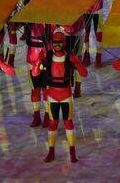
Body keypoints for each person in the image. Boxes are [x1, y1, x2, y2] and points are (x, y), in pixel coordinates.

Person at [31, 31, 87, 163]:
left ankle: (72, 153)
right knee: (53, 124)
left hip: (66, 96)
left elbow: (84, 74)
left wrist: (77, 62)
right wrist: (38, 60)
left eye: (59, 42)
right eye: (55, 42)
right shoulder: (48, 57)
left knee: (68, 123)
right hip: (52, 97)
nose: (57, 44)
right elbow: (35, 74)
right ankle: (51, 152)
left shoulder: (69, 57)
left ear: (64, 43)